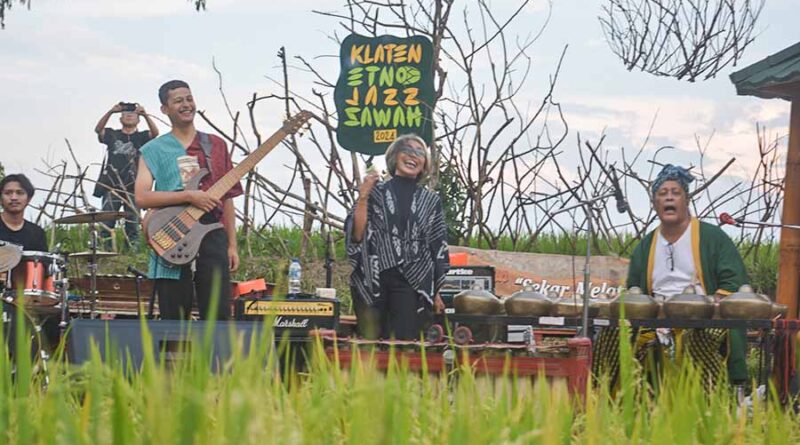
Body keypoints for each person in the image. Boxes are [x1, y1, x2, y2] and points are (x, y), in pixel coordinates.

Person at [594, 164, 748, 387]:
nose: (669, 198)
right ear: (655, 203)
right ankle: (604, 403)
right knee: (611, 334)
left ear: (686, 200)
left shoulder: (713, 237)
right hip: (656, 319)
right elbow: (634, 293)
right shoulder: (645, 247)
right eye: (662, 194)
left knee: (699, 339)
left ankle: (707, 408)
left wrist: (712, 304)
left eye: (675, 193)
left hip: (705, 317)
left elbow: (733, 282)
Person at [134, 80, 242, 320]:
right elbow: (141, 197)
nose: (186, 105)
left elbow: (227, 198)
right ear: (165, 109)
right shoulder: (153, 149)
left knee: (217, 314)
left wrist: (232, 245)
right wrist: (188, 196)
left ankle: (215, 358)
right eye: (178, 100)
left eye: (189, 99)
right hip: (169, 232)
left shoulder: (215, 145)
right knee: (173, 315)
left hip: (212, 233)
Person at [345, 134, 450, 340]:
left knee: (405, 343)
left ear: (424, 164)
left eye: (420, 153)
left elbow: (437, 245)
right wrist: (364, 196)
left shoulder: (430, 201)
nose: (413, 156)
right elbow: (357, 235)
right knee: (372, 342)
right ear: (395, 156)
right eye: (407, 150)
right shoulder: (376, 192)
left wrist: (436, 291)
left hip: (413, 282)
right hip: (374, 278)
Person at [94, 102, 159, 249]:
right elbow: (98, 130)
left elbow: (155, 133)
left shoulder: (141, 137)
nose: (129, 115)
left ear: (138, 120)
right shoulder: (112, 134)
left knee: (133, 224)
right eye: (125, 114)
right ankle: (105, 252)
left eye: (133, 114)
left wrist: (145, 114)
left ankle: (132, 254)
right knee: (107, 222)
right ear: (120, 118)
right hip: (112, 185)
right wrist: (111, 111)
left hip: (133, 186)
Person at [0, 174, 47, 251]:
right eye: (8, 193)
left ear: (28, 199)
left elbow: (41, 261)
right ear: (0, 199)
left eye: (20, 193)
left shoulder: (37, 233)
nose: (14, 198)